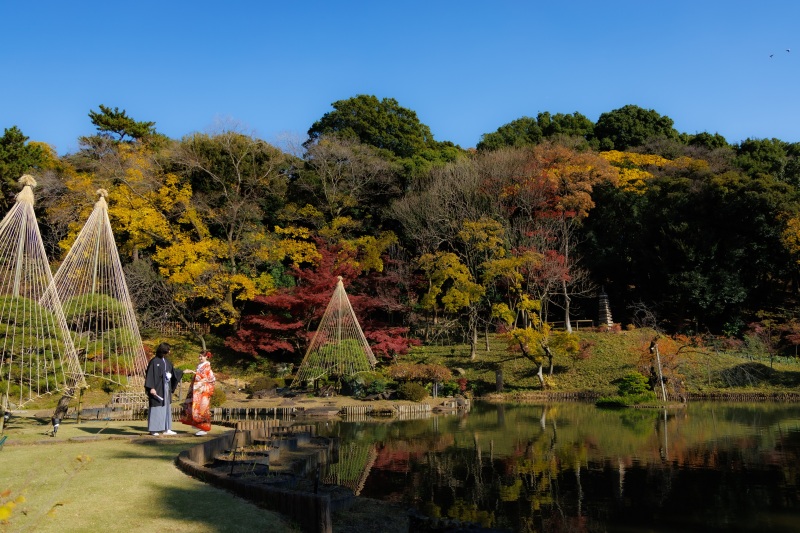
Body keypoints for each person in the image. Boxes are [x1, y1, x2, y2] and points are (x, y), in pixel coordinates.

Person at [144, 342, 183, 436]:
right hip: (157, 387)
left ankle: (167, 428)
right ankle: (154, 429)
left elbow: (173, 372)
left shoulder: (167, 361)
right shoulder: (154, 361)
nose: (169, 352)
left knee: (166, 407)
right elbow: (150, 375)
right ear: (164, 350)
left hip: (166, 387)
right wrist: (151, 387)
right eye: (168, 350)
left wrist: (182, 372)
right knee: (156, 407)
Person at [180, 351, 216, 436]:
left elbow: (204, 377)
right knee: (195, 407)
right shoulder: (200, 365)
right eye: (199, 356)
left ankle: (204, 428)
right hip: (197, 389)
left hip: (202, 390)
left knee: (202, 409)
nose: (200, 358)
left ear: (206, 357)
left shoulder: (207, 366)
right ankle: (199, 426)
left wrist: (193, 372)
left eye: (202, 357)